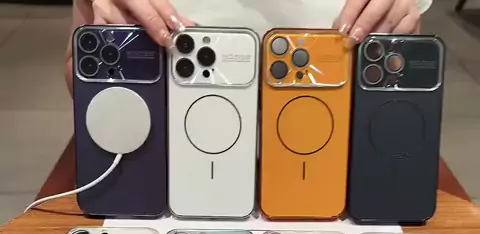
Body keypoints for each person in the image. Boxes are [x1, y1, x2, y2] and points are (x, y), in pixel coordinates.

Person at [66, 0, 432, 91]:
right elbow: (76, 78)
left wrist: (400, 53)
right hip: (161, 173)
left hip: (339, 173)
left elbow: (405, 80)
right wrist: (109, 46)